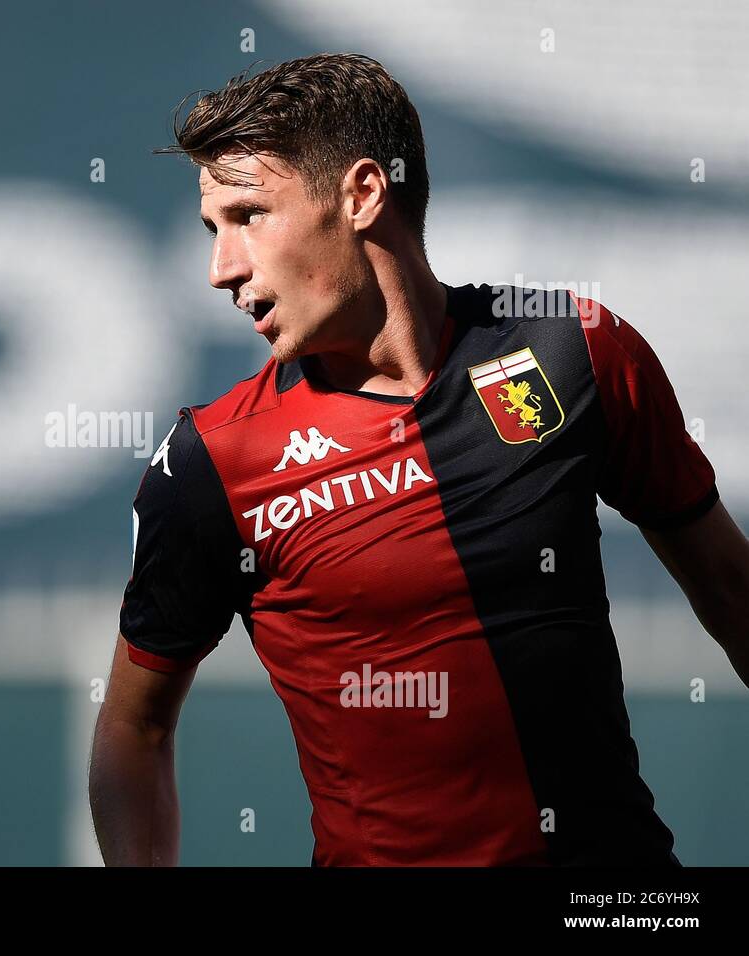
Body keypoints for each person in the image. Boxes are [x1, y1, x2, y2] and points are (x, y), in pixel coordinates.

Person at [88, 53, 749, 866]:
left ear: (363, 194)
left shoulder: (573, 349)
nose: (221, 268)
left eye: (249, 215)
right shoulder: (213, 461)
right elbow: (133, 725)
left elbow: (731, 589)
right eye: (211, 228)